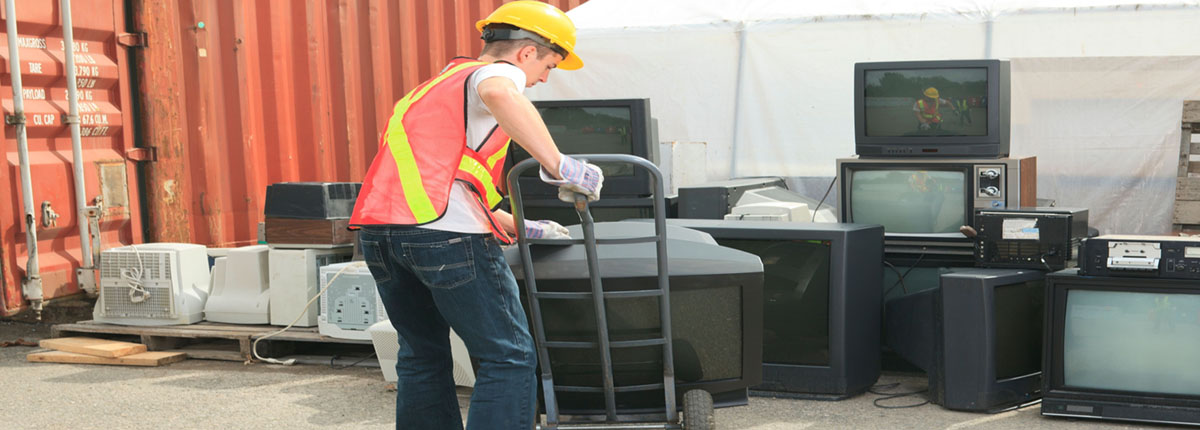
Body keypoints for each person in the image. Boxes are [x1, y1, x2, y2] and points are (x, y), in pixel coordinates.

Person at [348, 2, 602, 429]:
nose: (543, 79)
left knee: (421, 354)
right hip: (445, 239)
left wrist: (519, 225)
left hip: (381, 236)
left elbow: (446, 179)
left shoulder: (432, 89)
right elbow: (501, 91)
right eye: (549, 65)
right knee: (508, 355)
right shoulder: (493, 76)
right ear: (525, 53)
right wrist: (561, 166)